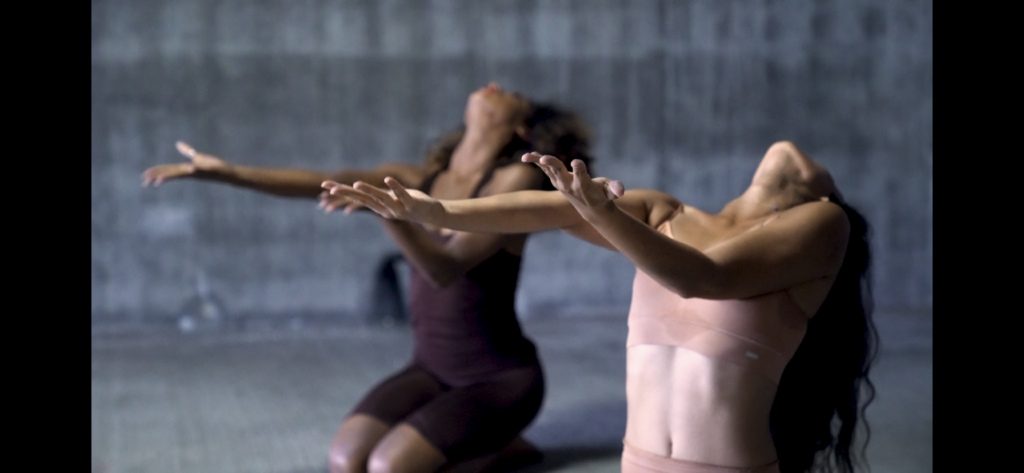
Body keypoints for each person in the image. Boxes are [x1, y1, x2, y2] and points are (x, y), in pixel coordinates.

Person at [322, 140, 878, 473]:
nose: (791, 149)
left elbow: (702, 277)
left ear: (824, 193)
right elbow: (547, 211)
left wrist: (602, 216)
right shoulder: (666, 213)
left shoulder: (826, 225)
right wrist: (435, 211)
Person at [143, 83, 596, 473]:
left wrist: (389, 216)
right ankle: (480, 445)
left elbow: (446, 269)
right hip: (430, 369)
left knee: (389, 467)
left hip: (500, 380)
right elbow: (321, 182)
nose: (493, 85)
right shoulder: (417, 178)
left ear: (520, 128)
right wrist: (229, 174)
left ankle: (499, 452)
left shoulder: (517, 180)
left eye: (511, 93)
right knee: (346, 460)